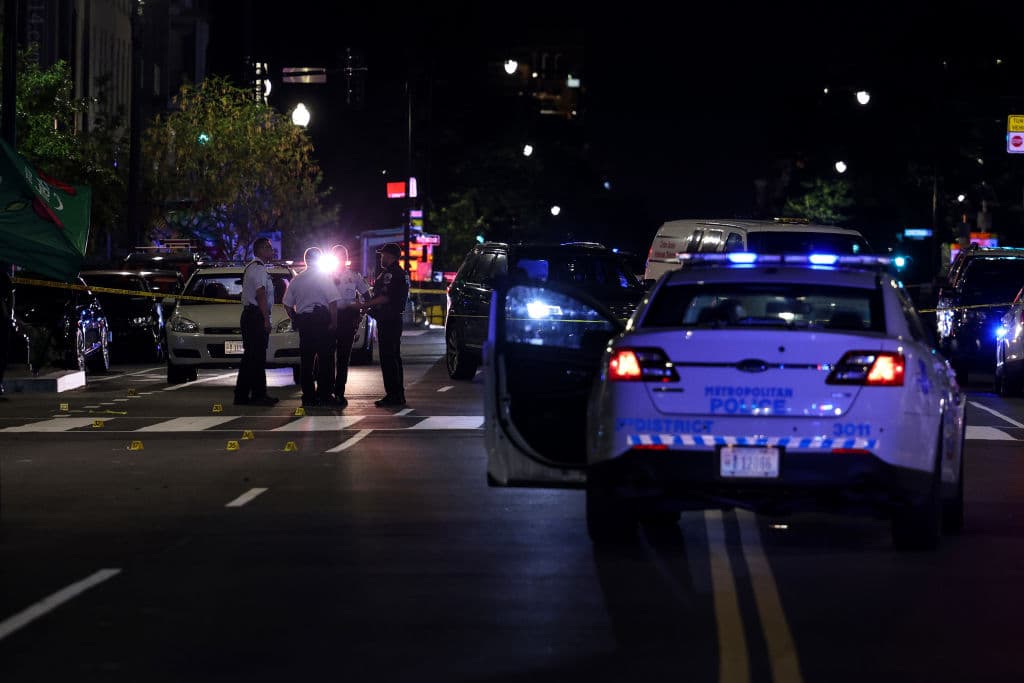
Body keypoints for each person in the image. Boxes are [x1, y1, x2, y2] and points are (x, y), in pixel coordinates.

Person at [283, 247, 339, 407]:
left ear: (306, 260)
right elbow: (333, 301)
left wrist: (295, 318)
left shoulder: (297, 279)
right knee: (326, 361)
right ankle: (325, 395)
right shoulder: (324, 278)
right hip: (322, 322)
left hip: (305, 323)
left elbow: (287, 304)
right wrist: (334, 322)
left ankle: (308, 397)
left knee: (306, 361)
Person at [233, 238, 280, 406]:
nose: (271, 250)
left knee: (250, 358)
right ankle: (258, 395)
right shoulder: (259, 269)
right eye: (268, 247)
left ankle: (242, 395)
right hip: (255, 317)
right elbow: (260, 293)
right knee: (257, 357)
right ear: (260, 250)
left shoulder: (252, 267)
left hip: (251, 316)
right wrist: (266, 318)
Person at [363, 242, 410, 407]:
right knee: (395, 357)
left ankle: (393, 395)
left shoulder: (391, 274)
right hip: (394, 319)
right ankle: (398, 394)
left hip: (388, 320)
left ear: (390, 256)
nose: (381, 257)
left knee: (388, 358)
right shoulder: (400, 273)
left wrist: (363, 305)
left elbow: (385, 297)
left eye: (383, 255)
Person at [328, 244, 370, 407]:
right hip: (329, 318)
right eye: (337, 256)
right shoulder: (325, 276)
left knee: (343, 359)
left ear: (346, 259)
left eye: (343, 256)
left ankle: (339, 393)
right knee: (327, 357)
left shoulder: (354, 276)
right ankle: (326, 391)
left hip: (347, 319)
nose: (340, 259)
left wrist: (360, 315)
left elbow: (367, 295)